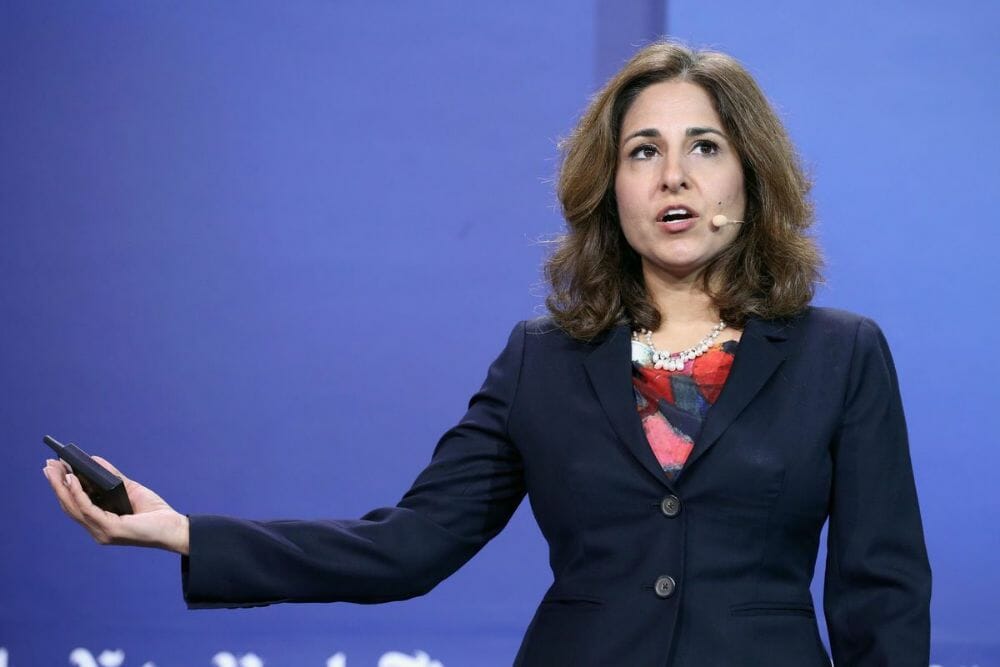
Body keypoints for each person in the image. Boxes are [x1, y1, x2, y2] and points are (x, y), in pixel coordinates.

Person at [43, 40, 931, 666]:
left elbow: (881, 595)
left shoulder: (841, 354)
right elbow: (408, 545)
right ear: (610, 187)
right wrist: (186, 531)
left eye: (705, 146)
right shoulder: (542, 360)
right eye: (643, 151)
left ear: (750, 175)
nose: (675, 176)